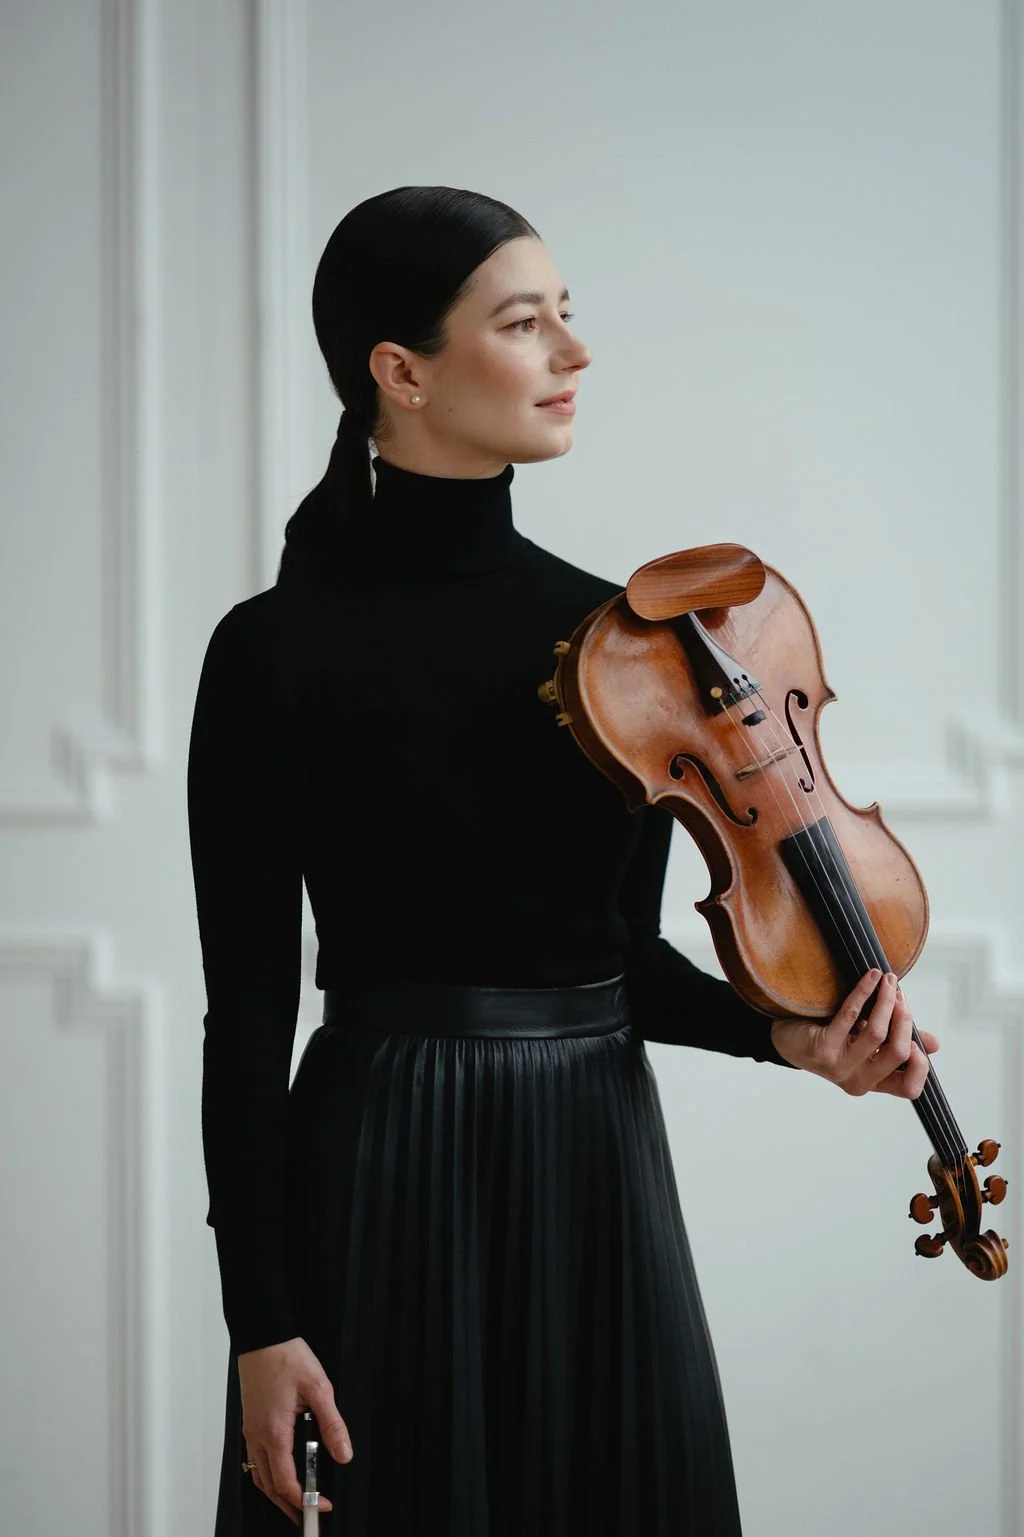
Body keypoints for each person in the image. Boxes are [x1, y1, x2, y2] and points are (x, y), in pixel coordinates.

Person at [187, 185, 938, 1536]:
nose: (574, 356)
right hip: (378, 1162)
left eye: (566, 318)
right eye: (525, 324)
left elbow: (621, 963)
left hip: (595, 1156)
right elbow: (245, 1013)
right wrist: (261, 1324)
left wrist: (793, 1042)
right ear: (401, 373)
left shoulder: (624, 645)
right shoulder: (271, 651)